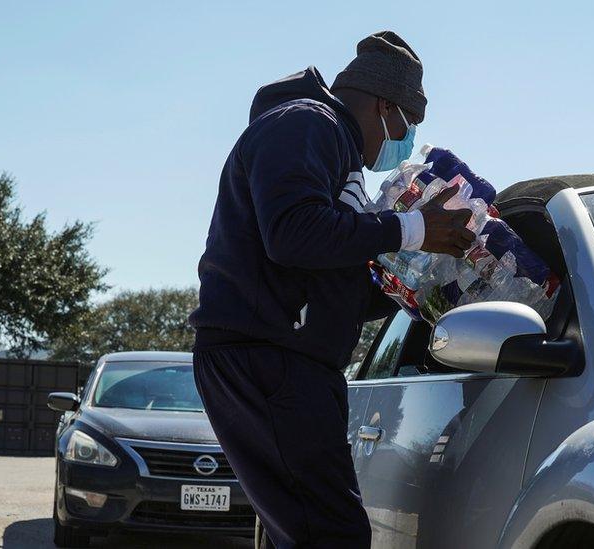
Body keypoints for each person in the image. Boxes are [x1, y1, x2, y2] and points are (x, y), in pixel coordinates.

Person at [189, 31, 475, 548]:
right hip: (269, 357)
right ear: (386, 108)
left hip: (281, 359)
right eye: (408, 126)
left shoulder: (332, 149)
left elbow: (327, 270)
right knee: (331, 535)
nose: (404, 142)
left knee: (310, 531)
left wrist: (409, 279)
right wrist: (411, 228)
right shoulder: (307, 124)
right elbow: (293, 233)